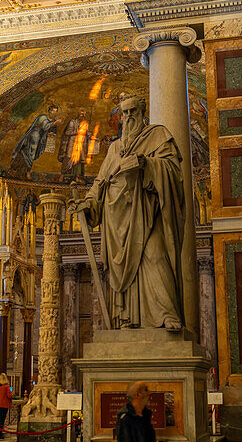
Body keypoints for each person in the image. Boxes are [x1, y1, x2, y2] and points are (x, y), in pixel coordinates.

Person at [73, 96, 186, 330]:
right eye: (123, 113)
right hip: (117, 220)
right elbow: (100, 183)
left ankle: (166, 314)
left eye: (133, 111)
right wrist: (89, 203)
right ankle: (126, 319)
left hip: (145, 212)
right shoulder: (115, 147)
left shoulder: (158, 136)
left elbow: (174, 171)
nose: (128, 117)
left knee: (156, 256)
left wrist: (146, 164)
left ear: (143, 111)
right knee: (124, 275)